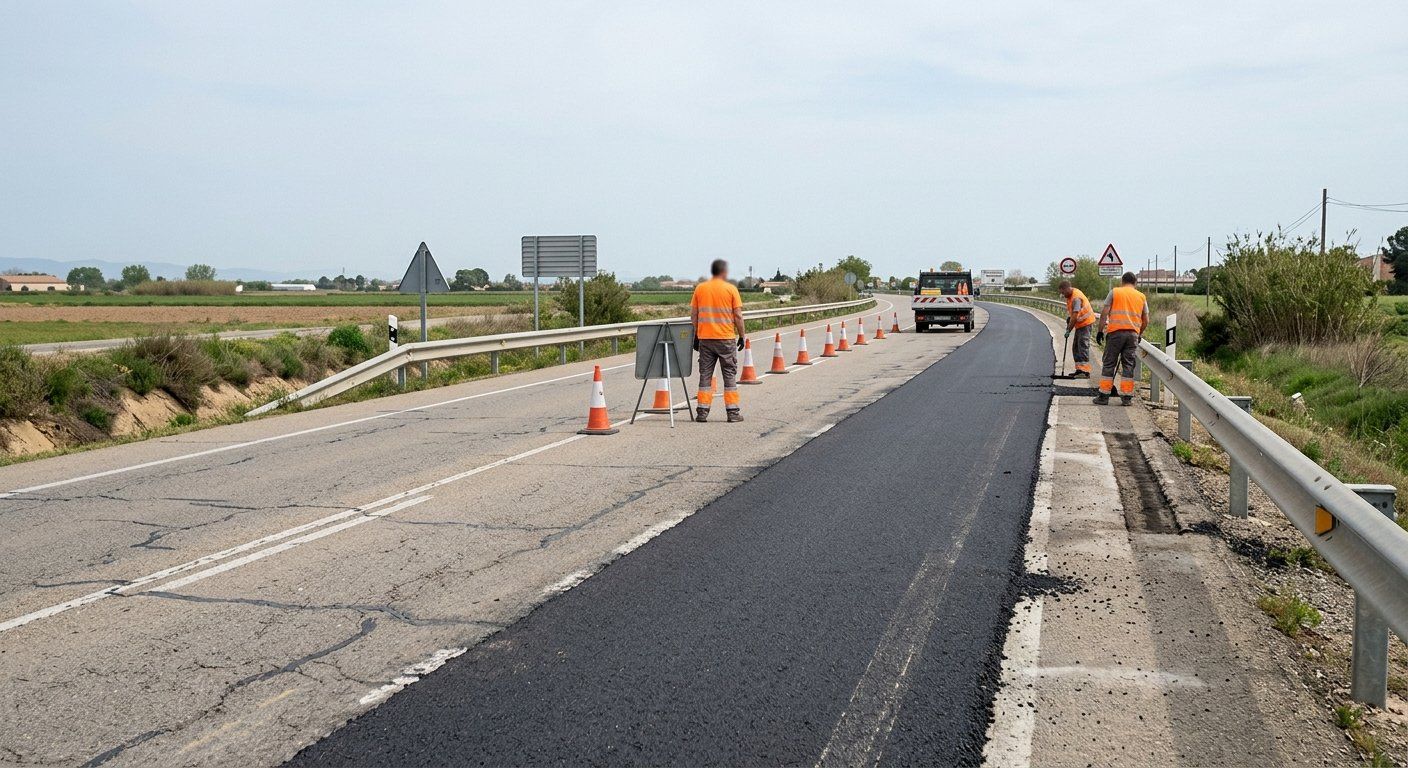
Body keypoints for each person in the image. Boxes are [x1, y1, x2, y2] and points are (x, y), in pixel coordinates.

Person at [690, 259, 746, 422]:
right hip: (726, 339)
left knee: (705, 376)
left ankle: (702, 412)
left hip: (706, 340)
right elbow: (738, 316)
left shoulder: (700, 289)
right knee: (729, 375)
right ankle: (733, 413)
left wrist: (696, 336)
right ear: (724, 272)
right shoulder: (731, 289)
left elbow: (694, 315)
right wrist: (742, 335)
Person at [1093, 271, 1149, 406]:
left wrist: (1100, 331)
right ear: (1135, 283)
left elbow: (1105, 313)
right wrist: (1139, 333)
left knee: (1109, 363)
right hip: (1132, 335)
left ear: (1122, 281)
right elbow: (1146, 319)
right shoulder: (1141, 296)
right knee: (1128, 364)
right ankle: (1126, 398)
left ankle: (1104, 396)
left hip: (1115, 334)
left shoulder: (1115, 292)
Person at [1058, 279, 1096, 378]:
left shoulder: (1076, 298)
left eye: (1063, 292)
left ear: (1066, 289)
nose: (1062, 295)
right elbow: (1073, 315)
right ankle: (1079, 370)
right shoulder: (1070, 296)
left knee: (1082, 346)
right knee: (1076, 347)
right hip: (1080, 324)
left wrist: (1068, 330)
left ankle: (1085, 372)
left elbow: (1075, 315)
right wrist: (1070, 319)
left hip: (1086, 323)